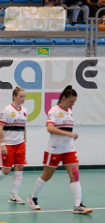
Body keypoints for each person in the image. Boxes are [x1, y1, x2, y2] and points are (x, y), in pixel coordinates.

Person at [27, 86, 92, 215]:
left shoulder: (69, 112)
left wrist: (70, 137)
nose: (72, 104)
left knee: (75, 174)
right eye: (71, 101)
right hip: (54, 149)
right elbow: (50, 128)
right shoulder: (54, 111)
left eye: (74, 102)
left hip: (69, 149)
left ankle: (78, 205)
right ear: (63, 98)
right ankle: (32, 198)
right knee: (47, 175)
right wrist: (69, 134)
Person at [0, 87, 27, 204]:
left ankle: (14, 195)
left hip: (20, 144)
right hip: (8, 144)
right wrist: (2, 144)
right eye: (21, 96)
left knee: (19, 168)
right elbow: (0, 127)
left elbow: (24, 127)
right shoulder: (6, 110)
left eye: (24, 96)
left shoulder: (24, 111)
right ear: (14, 96)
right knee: (6, 170)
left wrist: (24, 141)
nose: (23, 99)